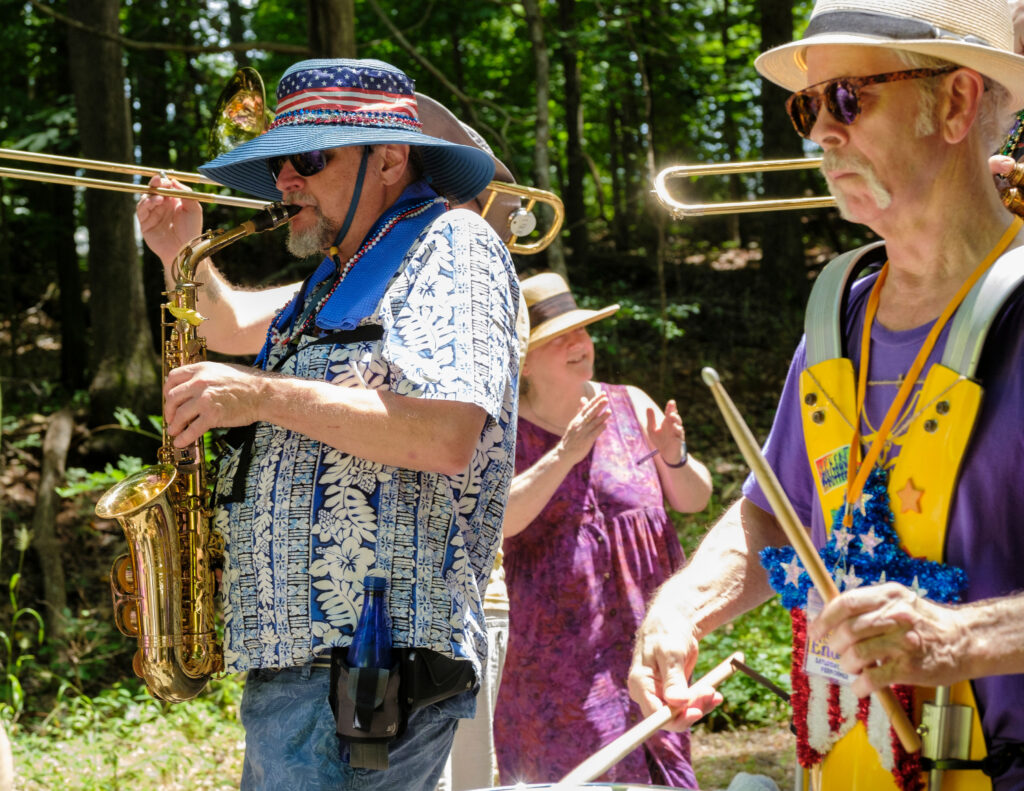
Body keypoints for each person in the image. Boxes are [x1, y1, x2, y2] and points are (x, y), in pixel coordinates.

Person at [629, 1, 1024, 790]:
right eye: (808, 105)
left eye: (849, 97)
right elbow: (775, 509)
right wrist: (685, 607)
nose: (819, 133)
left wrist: (965, 637)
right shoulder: (837, 313)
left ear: (955, 103)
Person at [136, 58, 520, 791]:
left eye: (310, 159)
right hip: (309, 670)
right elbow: (225, 322)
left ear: (392, 158)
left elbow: (444, 433)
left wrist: (262, 396)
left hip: (369, 662)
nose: (285, 181)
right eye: (280, 161)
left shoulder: (452, 247)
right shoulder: (337, 272)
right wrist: (179, 250)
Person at [493, 271, 713, 786]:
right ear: (524, 358)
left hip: (647, 642)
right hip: (554, 666)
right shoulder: (501, 427)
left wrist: (674, 457)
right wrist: (565, 454)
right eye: (558, 337)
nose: (578, 343)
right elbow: (497, 521)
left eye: (582, 330)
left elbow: (694, 501)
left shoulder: (631, 402)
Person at [411, 93, 523, 791]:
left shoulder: (475, 271)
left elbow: (504, 199)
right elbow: (230, 322)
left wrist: (417, 119)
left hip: (459, 601)